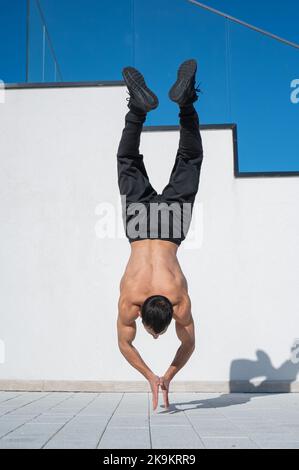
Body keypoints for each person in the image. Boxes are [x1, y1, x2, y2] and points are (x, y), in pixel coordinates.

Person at [116, 59, 204, 410]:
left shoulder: (179, 301)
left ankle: (185, 104)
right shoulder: (129, 302)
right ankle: (137, 110)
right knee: (127, 160)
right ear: (143, 316)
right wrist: (154, 377)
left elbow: (189, 345)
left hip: (171, 228)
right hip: (138, 227)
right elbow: (124, 345)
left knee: (190, 160)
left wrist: (163, 374)